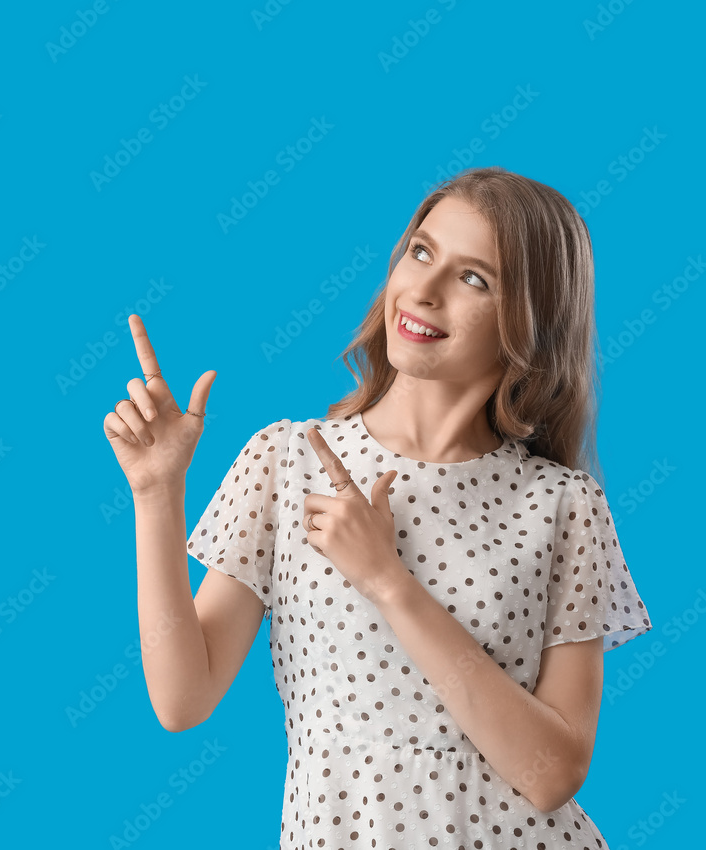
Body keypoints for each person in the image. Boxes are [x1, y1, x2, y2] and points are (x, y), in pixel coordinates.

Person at [103, 165, 652, 848]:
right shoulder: (284, 460)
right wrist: (156, 495)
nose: (422, 291)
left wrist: (389, 582)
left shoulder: (565, 506)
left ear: (529, 324)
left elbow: (552, 775)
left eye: (473, 278)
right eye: (421, 252)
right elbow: (183, 699)